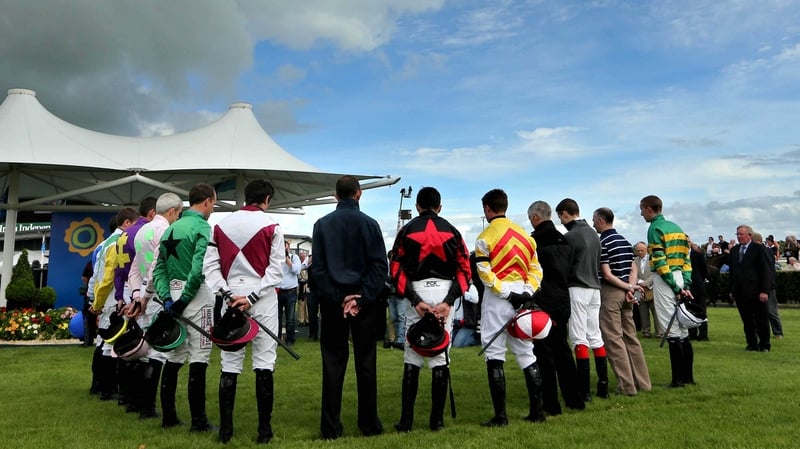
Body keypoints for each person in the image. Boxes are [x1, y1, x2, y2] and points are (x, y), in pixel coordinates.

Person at [204, 179, 284, 444]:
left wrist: (228, 294)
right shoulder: (272, 225)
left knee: (230, 363)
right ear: (267, 198)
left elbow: (210, 267)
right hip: (260, 299)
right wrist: (250, 296)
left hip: (230, 297)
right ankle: (265, 431)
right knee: (264, 362)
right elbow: (276, 270)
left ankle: (226, 432)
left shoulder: (220, 225)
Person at [308, 175, 388, 440]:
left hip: (333, 303)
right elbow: (379, 267)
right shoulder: (370, 224)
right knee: (366, 362)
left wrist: (337, 298)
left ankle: (330, 426)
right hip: (364, 302)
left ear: (336, 196)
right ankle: (368, 423)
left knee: (332, 363)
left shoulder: (321, 225)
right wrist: (360, 298)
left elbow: (317, 269)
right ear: (359, 194)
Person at [389, 186, 471, 432]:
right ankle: (436, 421)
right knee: (440, 355)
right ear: (440, 207)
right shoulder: (453, 231)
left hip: (417, 290)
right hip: (446, 291)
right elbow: (465, 269)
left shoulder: (406, 230)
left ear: (417, 206)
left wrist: (415, 300)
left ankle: (406, 422)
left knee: (412, 353)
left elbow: (395, 269)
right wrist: (448, 301)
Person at [152, 183, 217, 432]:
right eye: (213, 203)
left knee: (174, 356)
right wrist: (184, 298)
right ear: (208, 201)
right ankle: (198, 421)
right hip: (196, 298)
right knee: (199, 357)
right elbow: (199, 267)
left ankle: (169, 416)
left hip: (173, 296)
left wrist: (168, 298)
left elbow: (158, 268)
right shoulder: (202, 227)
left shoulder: (171, 228)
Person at [476, 189, 544, 427]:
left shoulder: (485, 236)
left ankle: (501, 416)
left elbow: (484, 272)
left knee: (494, 355)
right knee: (526, 352)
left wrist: (506, 293)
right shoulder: (526, 235)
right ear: (505, 205)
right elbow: (537, 269)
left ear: (487, 209)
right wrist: (526, 292)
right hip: (523, 295)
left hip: (497, 298)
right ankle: (538, 412)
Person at [123, 192, 183, 420]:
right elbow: (158, 265)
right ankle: (148, 408)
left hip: (146, 295)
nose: (178, 218)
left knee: (147, 350)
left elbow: (134, 270)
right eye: (178, 214)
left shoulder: (141, 231)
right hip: (160, 293)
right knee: (160, 353)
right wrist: (148, 294)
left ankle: (138, 403)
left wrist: (138, 295)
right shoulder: (165, 231)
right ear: (171, 212)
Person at [527, 201, 584, 414]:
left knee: (544, 352)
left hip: (543, 300)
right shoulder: (565, 240)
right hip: (563, 298)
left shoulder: (534, 242)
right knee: (563, 349)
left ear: (534, 218)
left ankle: (551, 403)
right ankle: (574, 398)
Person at [592, 207, 651, 396]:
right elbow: (633, 269)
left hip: (612, 293)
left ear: (601, 220)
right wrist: (630, 287)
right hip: (627, 291)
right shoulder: (625, 241)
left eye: (594, 220)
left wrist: (626, 288)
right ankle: (644, 383)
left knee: (613, 339)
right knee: (631, 338)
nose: (593, 224)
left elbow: (607, 275)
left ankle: (626, 386)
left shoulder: (602, 243)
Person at [555, 198, 608, 402]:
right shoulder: (594, 234)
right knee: (595, 336)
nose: (560, 220)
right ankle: (602, 386)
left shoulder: (571, 236)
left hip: (577, 287)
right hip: (595, 288)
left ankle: (584, 391)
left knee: (578, 337)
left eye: (560, 216)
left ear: (566, 213)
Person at [639, 195, 695, 388]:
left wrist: (673, 285)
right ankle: (688, 377)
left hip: (665, 280)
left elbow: (660, 262)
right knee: (683, 329)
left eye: (641, 209)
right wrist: (684, 285)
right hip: (680, 275)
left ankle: (677, 380)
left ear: (648, 209)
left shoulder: (654, 229)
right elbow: (687, 259)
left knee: (671, 331)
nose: (640, 213)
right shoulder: (677, 228)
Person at [89, 207, 139, 402]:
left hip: (106, 297)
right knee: (114, 344)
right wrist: (99, 301)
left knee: (104, 343)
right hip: (114, 297)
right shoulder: (119, 243)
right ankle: (112, 390)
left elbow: (96, 275)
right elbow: (108, 276)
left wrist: (95, 301)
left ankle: (100, 387)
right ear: (127, 223)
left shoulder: (102, 245)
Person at [728, 226, 772, 352]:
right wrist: (732, 289)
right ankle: (751, 343)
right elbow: (733, 272)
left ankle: (764, 344)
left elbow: (766, 271)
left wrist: (764, 290)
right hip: (740, 291)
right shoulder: (735, 250)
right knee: (747, 320)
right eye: (738, 234)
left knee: (761, 319)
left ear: (749, 235)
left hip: (756, 291)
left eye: (742, 234)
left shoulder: (759, 249)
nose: (739, 236)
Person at [752, 232, 783, 340]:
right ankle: (770, 332)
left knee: (771, 311)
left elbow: (767, 270)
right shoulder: (763, 251)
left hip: (768, 285)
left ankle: (778, 332)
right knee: (763, 312)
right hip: (763, 285)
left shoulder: (765, 251)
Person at [633, 241, 661, 338]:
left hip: (653, 288)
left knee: (656, 312)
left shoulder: (653, 259)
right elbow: (632, 274)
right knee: (642, 312)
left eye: (642, 250)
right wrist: (639, 282)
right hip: (639, 289)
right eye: (638, 250)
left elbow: (656, 273)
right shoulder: (634, 261)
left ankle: (660, 332)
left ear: (646, 250)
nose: (640, 252)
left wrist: (647, 283)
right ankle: (646, 331)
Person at [276, 241, 301, 346]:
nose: (284, 250)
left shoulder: (294, 257)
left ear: (289, 248)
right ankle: (278, 339)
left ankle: (290, 339)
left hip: (290, 292)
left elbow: (297, 271)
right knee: (277, 317)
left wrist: (287, 261)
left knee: (290, 318)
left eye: (285, 248)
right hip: (278, 291)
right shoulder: (276, 259)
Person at [687, 237, 709, 341]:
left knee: (701, 310)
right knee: (689, 311)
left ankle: (703, 334)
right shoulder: (679, 256)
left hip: (698, 287)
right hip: (686, 288)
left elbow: (704, 270)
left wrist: (699, 280)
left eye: (688, 242)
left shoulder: (698, 254)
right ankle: (692, 334)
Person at [384, 250, 406, 350]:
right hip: (391, 295)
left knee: (401, 317)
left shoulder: (401, 267)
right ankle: (395, 339)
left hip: (400, 295)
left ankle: (401, 340)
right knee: (393, 318)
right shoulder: (388, 267)